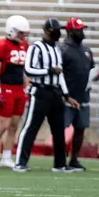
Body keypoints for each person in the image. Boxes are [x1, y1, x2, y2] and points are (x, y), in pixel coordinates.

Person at [15, 18, 80, 172]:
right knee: (30, 127)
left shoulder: (56, 49)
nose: (60, 32)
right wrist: (49, 70)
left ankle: (60, 164)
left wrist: (66, 95)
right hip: (40, 91)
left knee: (58, 130)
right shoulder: (36, 48)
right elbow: (29, 70)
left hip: (55, 93)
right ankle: (20, 163)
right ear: (48, 30)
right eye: (57, 29)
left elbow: (60, 75)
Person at [0, 15, 30, 169]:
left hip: (19, 89)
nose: (23, 36)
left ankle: (6, 156)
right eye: (20, 33)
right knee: (3, 124)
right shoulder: (0, 45)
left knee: (14, 125)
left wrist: (27, 88)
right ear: (11, 31)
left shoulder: (24, 46)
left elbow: (24, 71)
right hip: (6, 87)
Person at [61, 17, 99, 172]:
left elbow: (91, 68)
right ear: (70, 31)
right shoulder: (63, 49)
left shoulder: (87, 50)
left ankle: (74, 159)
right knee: (61, 129)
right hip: (67, 98)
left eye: (82, 29)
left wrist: (95, 75)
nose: (81, 31)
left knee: (80, 129)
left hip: (83, 98)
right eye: (78, 29)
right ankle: (61, 159)